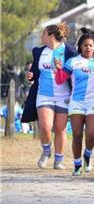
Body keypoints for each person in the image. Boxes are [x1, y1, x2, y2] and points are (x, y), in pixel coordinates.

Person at [21, 23, 77, 170]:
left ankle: (59, 160)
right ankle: (46, 151)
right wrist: (30, 75)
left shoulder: (69, 51)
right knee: (45, 127)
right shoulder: (39, 52)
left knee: (60, 129)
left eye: (43, 34)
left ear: (51, 36)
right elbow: (34, 73)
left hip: (63, 95)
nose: (41, 37)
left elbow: (74, 73)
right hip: (43, 95)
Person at [55, 28, 94, 176]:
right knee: (77, 134)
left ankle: (87, 154)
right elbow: (60, 79)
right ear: (81, 47)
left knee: (92, 134)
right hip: (77, 102)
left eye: (91, 45)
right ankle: (77, 164)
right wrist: (58, 69)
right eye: (85, 45)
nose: (88, 48)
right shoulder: (73, 62)